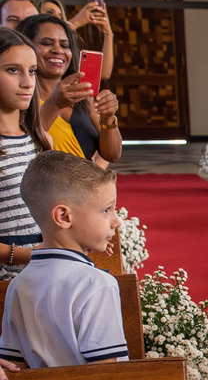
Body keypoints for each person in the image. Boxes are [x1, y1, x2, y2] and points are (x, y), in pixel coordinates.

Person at [0, 150, 125, 368]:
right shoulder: (97, 284)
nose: (117, 221)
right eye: (107, 210)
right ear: (64, 217)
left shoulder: (18, 285)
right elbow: (107, 375)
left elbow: (13, 366)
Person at [19, 14, 121, 165]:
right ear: (26, 48)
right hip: (40, 187)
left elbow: (113, 154)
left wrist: (108, 118)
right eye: (47, 43)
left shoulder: (83, 96)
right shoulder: (18, 95)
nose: (58, 50)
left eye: (65, 45)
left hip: (85, 186)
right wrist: (54, 104)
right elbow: (21, 149)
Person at [0, 27, 52, 281]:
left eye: (31, 71)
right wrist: (27, 255)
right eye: (13, 70)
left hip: (44, 273)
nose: (27, 82)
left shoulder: (40, 139)